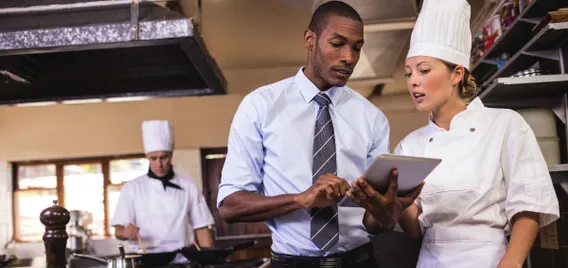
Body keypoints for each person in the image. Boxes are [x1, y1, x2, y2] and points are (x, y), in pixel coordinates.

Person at [348, 0, 561, 267]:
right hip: (431, 259)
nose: (413, 80)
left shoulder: (505, 124)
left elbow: (528, 205)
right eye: (409, 73)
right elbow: (415, 228)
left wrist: (512, 263)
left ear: (456, 74)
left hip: (489, 258)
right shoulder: (410, 145)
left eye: (424, 70)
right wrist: (392, 205)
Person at [216, 1, 422, 268]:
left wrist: (388, 212)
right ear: (310, 39)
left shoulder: (371, 118)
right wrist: (302, 199)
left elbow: (375, 224)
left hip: (359, 261)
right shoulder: (261, 106)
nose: (349, 57)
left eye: (357, 47)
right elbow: (230, 207)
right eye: (338, 44)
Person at [111, 120, 215, 264]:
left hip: (181, 260)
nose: (159, 164)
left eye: (164, 157)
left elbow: (202, 227)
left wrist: (210, 262)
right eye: (153, 158)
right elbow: (118, 230)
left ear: (171, 155)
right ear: (147, 157)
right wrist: (125, 232)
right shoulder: (131, 188)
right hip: (144, 260)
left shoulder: (188, 186)